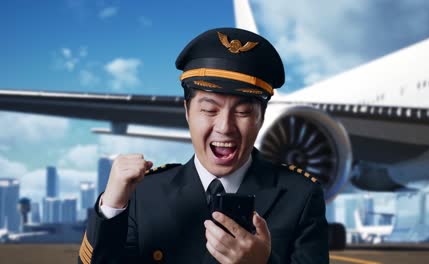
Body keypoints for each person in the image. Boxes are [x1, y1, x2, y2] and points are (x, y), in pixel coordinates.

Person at [78, 27, 329, 264]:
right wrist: (111, 207)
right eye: (209, 109)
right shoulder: (143, 194)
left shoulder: (301, 196)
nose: (225, 126)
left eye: (242, 112)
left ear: (261, 118)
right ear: (187, 111)